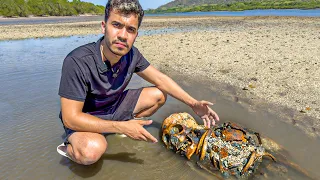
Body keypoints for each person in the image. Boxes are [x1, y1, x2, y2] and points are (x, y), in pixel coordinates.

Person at [57, 0, 219, 165]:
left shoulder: (132, 55)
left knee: (159, 94)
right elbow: (70, 118)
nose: (123, 35)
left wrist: (193, 103)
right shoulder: (78, 61)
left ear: (136, 34)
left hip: (114, 107)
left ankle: (118, 126)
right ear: (103, 26)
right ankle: (70, 147)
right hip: (85, 118)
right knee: (91, 151)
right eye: (116, 25)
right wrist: (121, 127)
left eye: (130, 29)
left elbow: (161, 79)